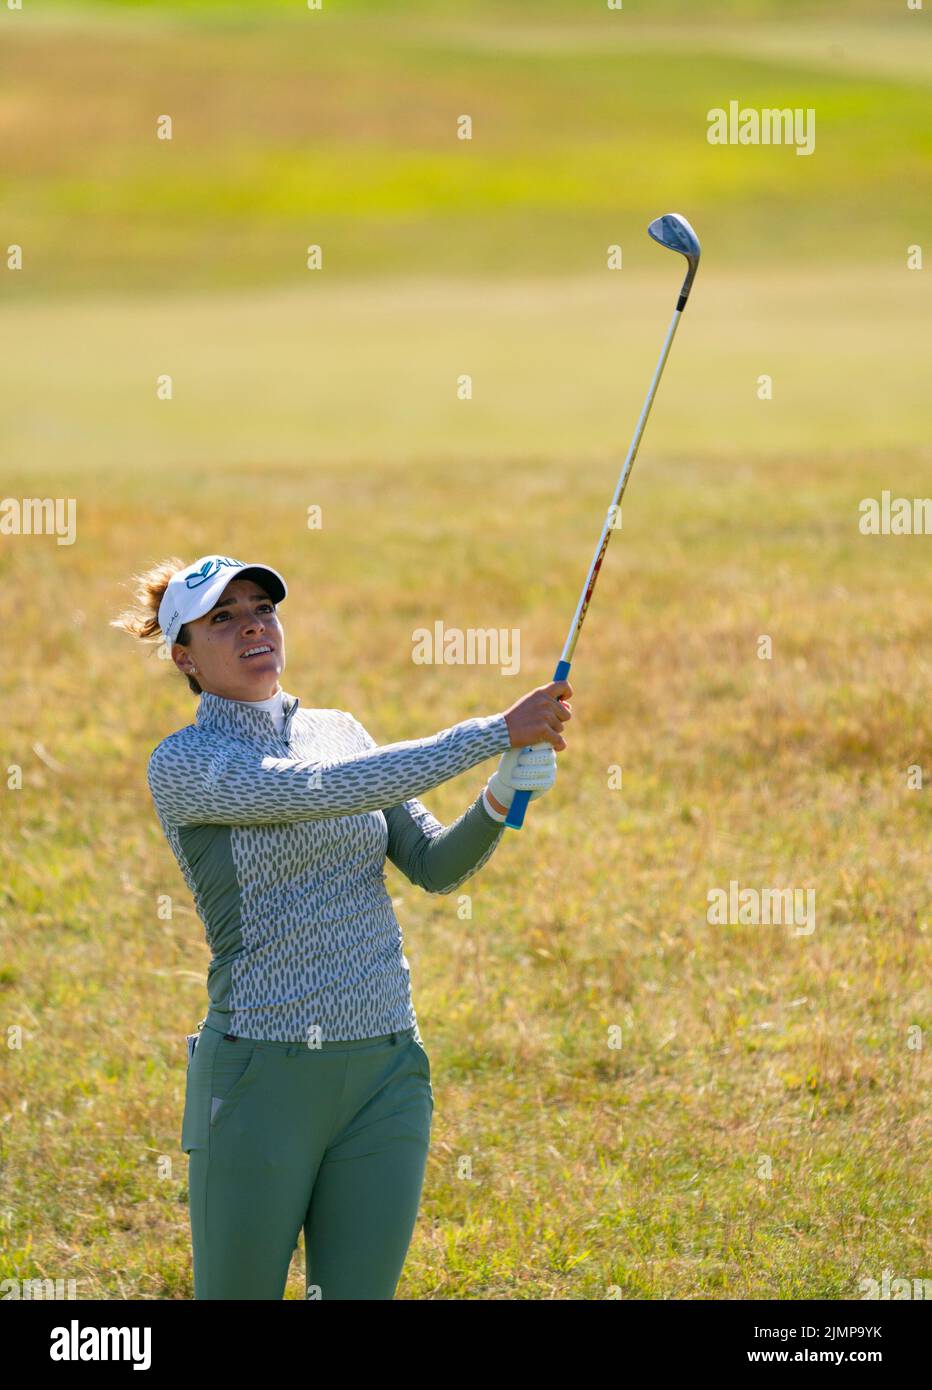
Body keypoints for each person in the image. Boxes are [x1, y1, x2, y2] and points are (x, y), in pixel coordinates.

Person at [110, 552, 573, 1300]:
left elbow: (431, 864)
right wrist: (493, 731)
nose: (252, 626)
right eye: (222, 618)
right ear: (184, 657)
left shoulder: (342, 731)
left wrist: (495, 798)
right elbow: (325, 791)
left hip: (386, 1071)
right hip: (260, 1076)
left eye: (262, 608)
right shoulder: (187, 761)